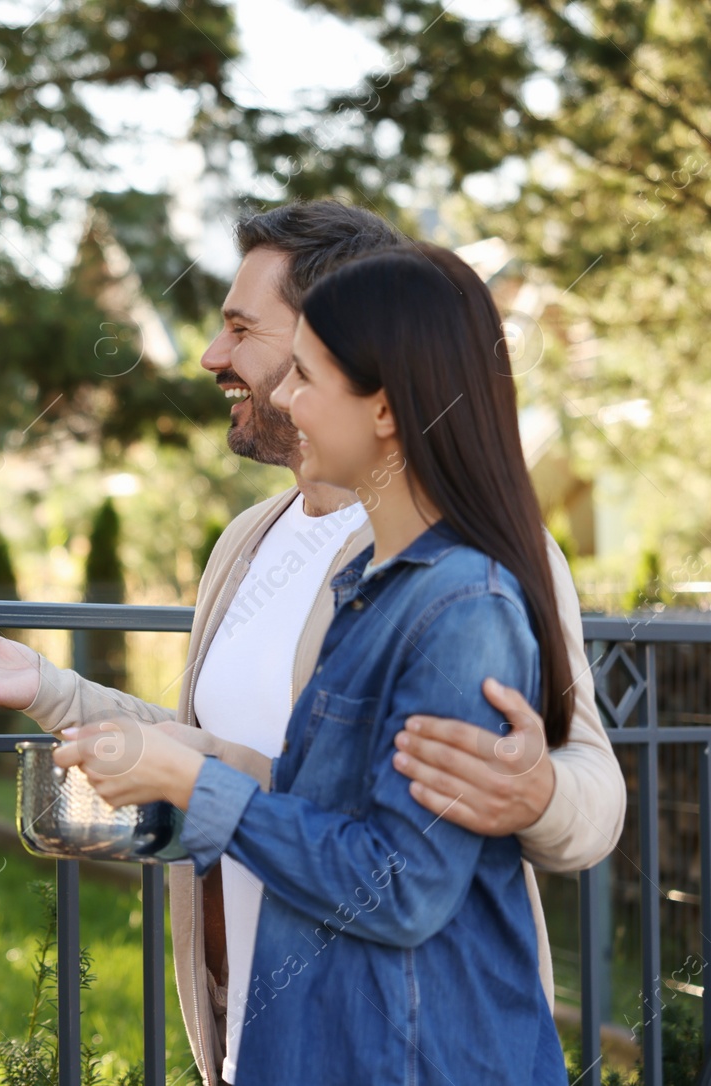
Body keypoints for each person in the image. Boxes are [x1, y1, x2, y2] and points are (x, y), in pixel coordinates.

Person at [0, 201, 624, 1086]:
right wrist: (55, 692)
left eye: (244, 330)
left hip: (400, 1037)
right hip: (272, 1030)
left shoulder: (467, 573)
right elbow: (250, 751)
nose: (216, 359)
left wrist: (535, 789)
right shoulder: (252, 540)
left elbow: (509, 823)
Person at [55, 243, 571, 1083]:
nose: (284, 401)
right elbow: (315, 811)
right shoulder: (370, 590)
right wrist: (143, 769)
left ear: (385, 411)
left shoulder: (461, 608)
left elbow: (399, 885)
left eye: (307, 378)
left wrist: (190, 783)